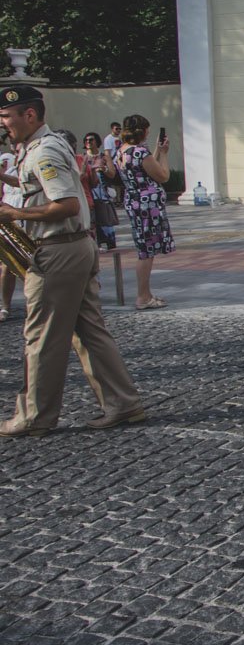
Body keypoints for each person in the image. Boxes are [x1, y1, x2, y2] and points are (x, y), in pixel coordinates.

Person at [0, 85, 145, 438]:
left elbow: (67, 204)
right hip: (73, 248)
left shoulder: (44, 150)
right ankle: (122, 402)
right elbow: (37, 184)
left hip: (56, 251)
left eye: (6, 117)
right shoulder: (40, 147)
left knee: (42, 337)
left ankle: (35, 416)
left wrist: (14, 212)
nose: (4, 125)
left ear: (29, 115)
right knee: (89, 331)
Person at [102, 114, 175, 309]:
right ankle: (143, 296)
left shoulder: (122, 151)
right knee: (146, 251)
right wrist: (165, 153)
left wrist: (157, 151)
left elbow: (147, 167)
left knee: (144, 248)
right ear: (142, 131)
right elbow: (163, 175)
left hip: (134, 202)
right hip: (147, 205)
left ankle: (146, 294)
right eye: (147, 129)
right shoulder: (140, 152)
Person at [83, 132, 118, 250]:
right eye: (86, 140)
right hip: (88, 192)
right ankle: (94, 245)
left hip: (102, 192)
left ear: (97, 142)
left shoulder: (104, 157)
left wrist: (104, 169)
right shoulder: (82, 158)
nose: (88, 142)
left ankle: (109, 243)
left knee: (105, 219)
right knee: (91, 220)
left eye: (91, 140)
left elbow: (112, 174)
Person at [0, 137, 18, 322]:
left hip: (27, 221)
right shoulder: (10, 166)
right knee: (7, 266)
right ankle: (5, 306)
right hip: (8, 224)